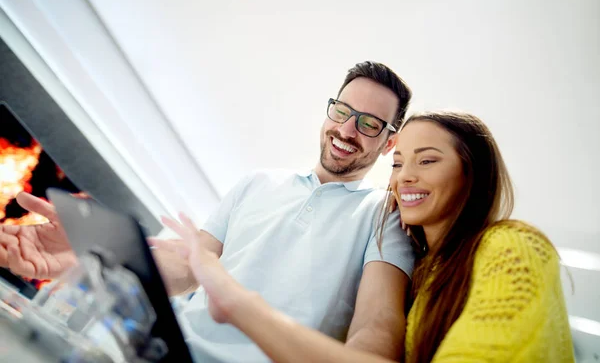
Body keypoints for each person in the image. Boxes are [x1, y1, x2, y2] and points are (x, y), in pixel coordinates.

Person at [0, 61, 415, 362]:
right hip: (162, 350)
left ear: (389, 143)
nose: (346, 131)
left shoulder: (384, 215)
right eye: (342, 112)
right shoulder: (258, 182)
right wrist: (81, 258)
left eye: (368, 124)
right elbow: (187, 269)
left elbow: (375, 332)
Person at [166, 111, 575, 362]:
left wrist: (235, 301)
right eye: (399, 164)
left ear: (473, 172)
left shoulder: (511, 244)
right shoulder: (428, 277)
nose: (405, 176)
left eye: (427, 160)